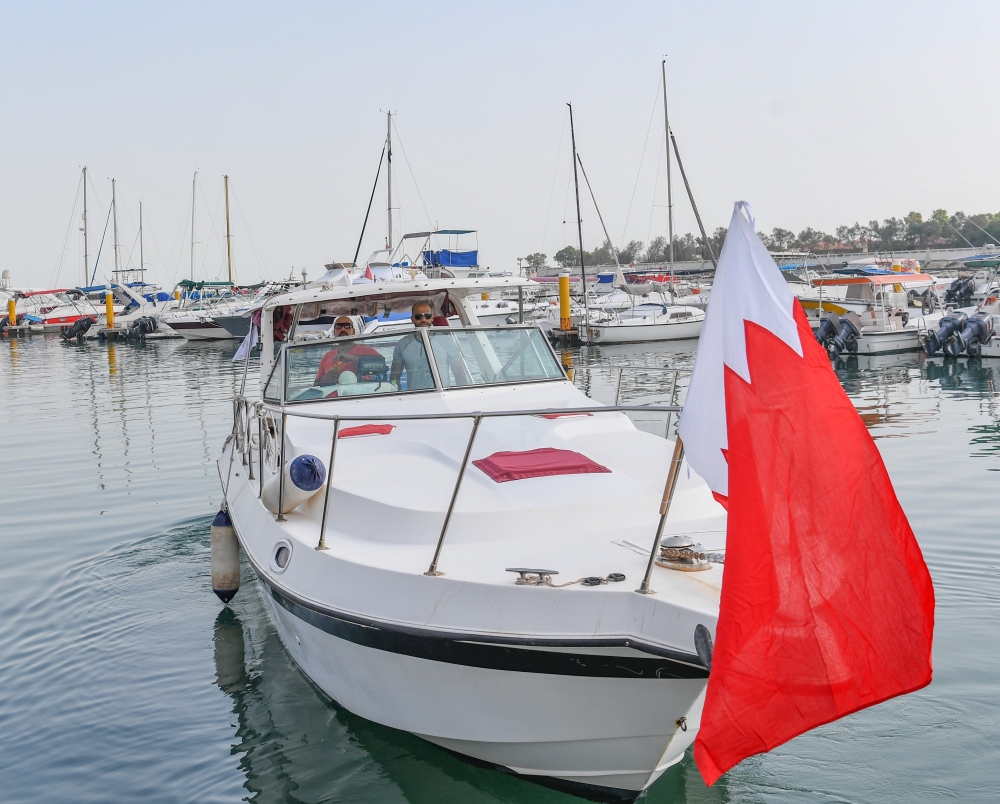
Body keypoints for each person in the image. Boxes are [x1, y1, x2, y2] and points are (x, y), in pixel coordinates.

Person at [390, 302, 471, 389]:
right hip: (415, 397)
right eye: (418, 316)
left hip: (442, 394)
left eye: (427, 316)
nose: (423, 319)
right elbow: (395, 377)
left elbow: (460, 375)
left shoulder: (447, 341)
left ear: (432, 318)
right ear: (412, 319)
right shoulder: (402, 344)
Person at [314, 317, 381, 386]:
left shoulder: (367, 351)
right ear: (334, 332)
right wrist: (324, 380)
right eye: (338, 327)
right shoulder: (327, 356)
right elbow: (315, 386)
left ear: (353, 331)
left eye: (347, 326)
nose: (343, 329)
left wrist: (352, 357)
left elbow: (381, 364)